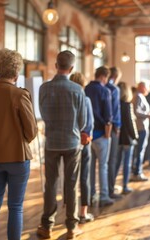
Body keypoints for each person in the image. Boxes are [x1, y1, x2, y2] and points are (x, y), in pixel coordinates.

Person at [0, 49, 37, 240]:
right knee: (15, 207)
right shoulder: (19, 94)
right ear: (16, 71)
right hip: (17, 157)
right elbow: (31, 131)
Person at [37, 50, 86, 239]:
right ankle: (71, 228)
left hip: (51, 142)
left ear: (56, 66)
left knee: (51, 183)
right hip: (72, 142)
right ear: (72, 68)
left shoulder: (44, 88)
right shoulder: (77, 90)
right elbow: (82, 122)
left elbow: (42, 114)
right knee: (71, 184)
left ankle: (47, 225)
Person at [85, 66, 114, 207]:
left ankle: (90, 195)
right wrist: (108, 132)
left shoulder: (85, 89)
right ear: (103, 76)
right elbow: (108, 115)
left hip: (88, 134)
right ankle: (104, 196)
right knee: (103, 166)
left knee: (90, 167)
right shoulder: (105, 91)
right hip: (102, 133)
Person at [69, 72, 95, 224]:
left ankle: (70, 211)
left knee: (70, 178)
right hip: (84, 142)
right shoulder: (85, 99)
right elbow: (89, 124)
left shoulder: (68, 98)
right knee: (84, 177)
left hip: (70, 142)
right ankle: (83, 212)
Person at [117, 82, 138, 194]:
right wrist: (135, 136)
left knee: (116, 163)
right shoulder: (127, 105)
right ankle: (124, 185)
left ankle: (113, 185)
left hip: (117, 138)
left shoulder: (115, 104)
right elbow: (130, 123)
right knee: (126, 163)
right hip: (127, 138)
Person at [131, 82, 150, 181]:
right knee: (140, 151)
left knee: (139, 150)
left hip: (143, 126)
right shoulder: (138, 96)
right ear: (142, 87)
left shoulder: (140, 96)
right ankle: (137, 172)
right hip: (140, 127)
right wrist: (148, 115)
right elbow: (137, 112)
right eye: (147, 87)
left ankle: (137, 171)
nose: (148, 90)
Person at [107, 67, 123, 199]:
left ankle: (98, 191)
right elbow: (115, 111)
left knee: (101, 164)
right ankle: (110, 190)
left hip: (97, 129)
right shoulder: (114, 89)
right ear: (116, 76)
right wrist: (117, 127)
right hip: (111, 128)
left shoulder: (98, 87)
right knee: (112, 160)